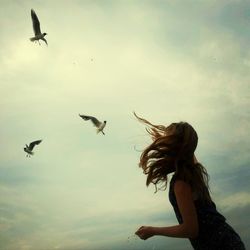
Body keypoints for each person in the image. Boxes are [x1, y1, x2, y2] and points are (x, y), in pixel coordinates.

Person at [134, 113, 245, 250]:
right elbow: (187, 148)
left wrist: (153, 231)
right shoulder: (194, 172)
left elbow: (191, 229)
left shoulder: (181, 183)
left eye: (167, 140)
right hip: (229, 241)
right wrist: (167, 141)